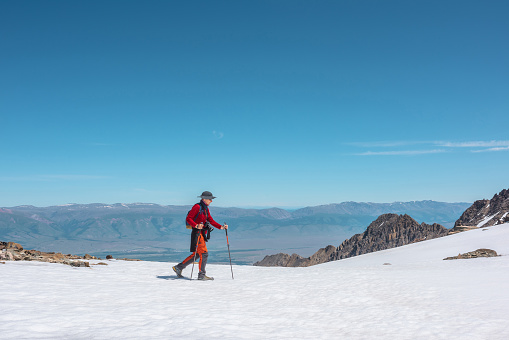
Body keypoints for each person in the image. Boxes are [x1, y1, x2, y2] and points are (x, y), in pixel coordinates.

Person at [172, 191, 228, 280]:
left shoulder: (205, 208)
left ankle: (179, 267)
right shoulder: (197, 207)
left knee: (198, 254)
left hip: (201, 233)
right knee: (204, 254)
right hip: (197, 233)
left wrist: (221, 227)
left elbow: (210, 220)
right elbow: (189, 218)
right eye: (210, 199)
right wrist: (196, 225)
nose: (211, 201)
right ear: (204, 199)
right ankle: (201, 275)